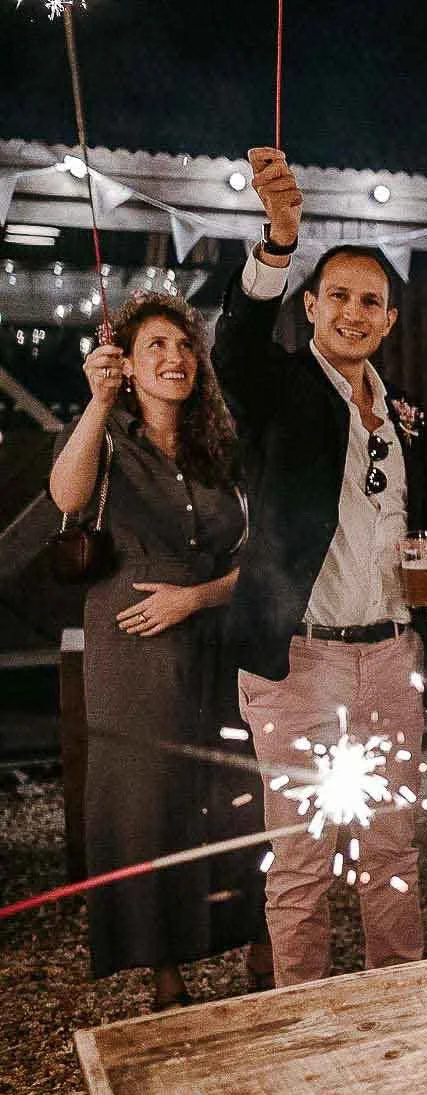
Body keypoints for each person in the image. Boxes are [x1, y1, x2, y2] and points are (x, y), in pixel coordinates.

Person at [218, 147, 427, 987]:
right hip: (302, 661)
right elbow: (235, 346)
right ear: (313, 308)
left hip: (393, 657)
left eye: (373, 302)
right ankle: (304, 1027)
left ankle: (394, 1012)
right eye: (341, 298)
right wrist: (277, 244)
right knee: (301, 859)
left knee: (394, 849)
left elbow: (398, 524)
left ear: (389, 319)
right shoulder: (282, 389)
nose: (356, 313)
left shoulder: (404, 416)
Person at [49, 293, 269, 1007]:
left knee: (233, 793)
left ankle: (261, 946)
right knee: (144, 803)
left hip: (214, 639)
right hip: (132, 650)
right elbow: (68, 495)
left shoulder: (222, 448)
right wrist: (95, 403)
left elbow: (257, 556)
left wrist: (196, 599)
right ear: (129, 365)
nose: (174, 358)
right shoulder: (107, 438)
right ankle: (162, 970)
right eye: (156, 347)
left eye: (184, 346)